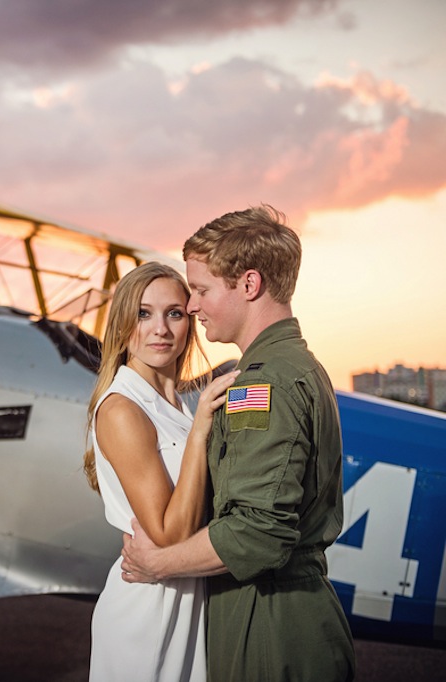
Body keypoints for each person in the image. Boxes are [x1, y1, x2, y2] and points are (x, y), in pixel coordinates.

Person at [120, 205, 356, 681]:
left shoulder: (262, 385)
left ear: (248, 285)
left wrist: (158, 563)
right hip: (281, 617)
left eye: (202, 290)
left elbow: (256, 533)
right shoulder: (296, 366)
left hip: (268, 625)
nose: (191, 306)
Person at [84, 261, 239, 681]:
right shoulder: (122, 408)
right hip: (148, 611)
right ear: (121, 325)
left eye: (173, 313)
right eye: (143, 314)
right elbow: (168, 533)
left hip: (186, 598)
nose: (161, 329)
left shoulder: (175, 403)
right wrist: (202, 431)